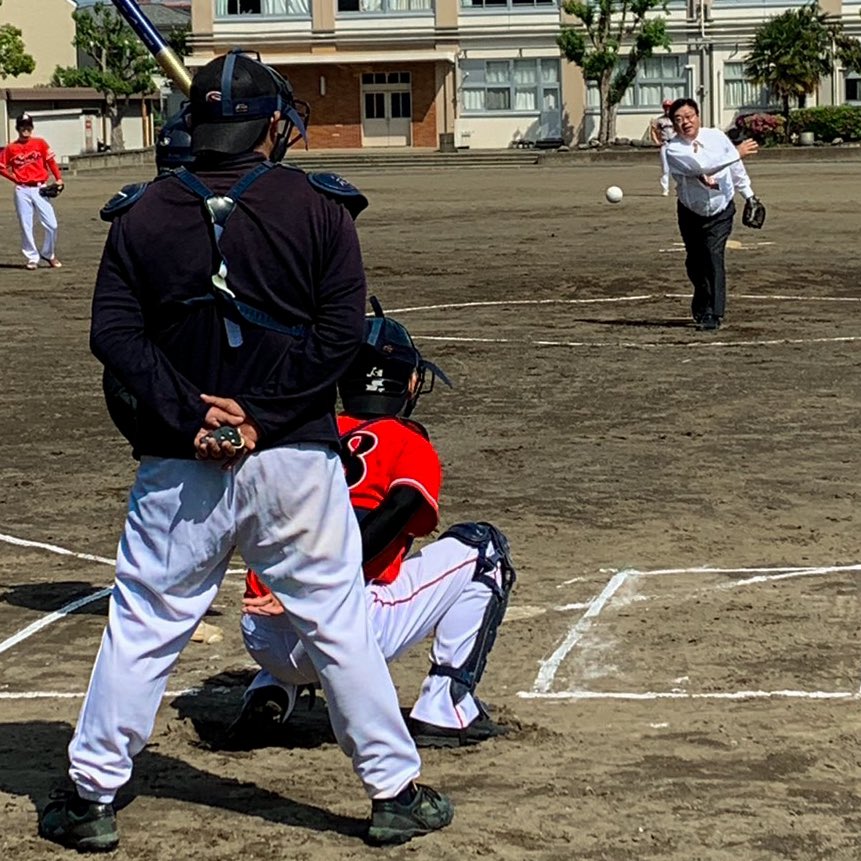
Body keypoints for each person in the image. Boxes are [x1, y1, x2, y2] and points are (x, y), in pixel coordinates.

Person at [37, 49, 452, 853]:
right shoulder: (320, 209)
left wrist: (191, 414)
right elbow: (340, 336)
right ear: (271, 125)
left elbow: (113, 337)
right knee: (334, 622)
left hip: (178, 462)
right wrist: (257, 415)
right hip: (294, 457)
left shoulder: (145, 214)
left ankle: (91, 793)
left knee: (146, 624)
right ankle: (393, 791)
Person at [226, 299, 516, 754]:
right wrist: (324, 582)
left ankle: (271, 689)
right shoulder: (408, 441)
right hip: (345, 629)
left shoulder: (302, 433)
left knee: (298, 552)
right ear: (412, 381)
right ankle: (447, 708)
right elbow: (396, 511)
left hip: (261, 633)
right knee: (485, 549)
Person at [664, 98, 760, 332]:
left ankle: (713, 313)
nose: (685, 123)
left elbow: (735, 168)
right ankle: (702, 299)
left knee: (713, 257)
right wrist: (736, 152)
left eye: (689, 117)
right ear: (673, 125)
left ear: (698, 116)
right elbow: (701, 167)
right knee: (695, 262)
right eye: (678, 120)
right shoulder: (673, 149)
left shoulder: (716, 136)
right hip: (691, 211)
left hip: (721, 208)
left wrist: (750, 196)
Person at [0, 112, 63, 269]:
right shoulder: (11, 148)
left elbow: (51, 161)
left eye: (28, 126)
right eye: (22, 126)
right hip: (22, 189)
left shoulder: (40, 143)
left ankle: (48, 253)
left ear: (31, 127)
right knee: (26, 224)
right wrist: (15, 179)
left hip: (40, 187)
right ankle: (32, 257)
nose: (25, 129)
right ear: (18, 128)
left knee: (52, 224)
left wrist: (59, 178)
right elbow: (1, 167)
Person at [650, 98, 675, 196]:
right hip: (665, 143)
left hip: (675, 144)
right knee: (665, 168)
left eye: (669, 107)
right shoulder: (660, 120)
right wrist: (657, 141)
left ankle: (679, 188)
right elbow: (653, 130)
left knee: (678, 166)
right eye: (666, 107)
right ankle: (665, 189)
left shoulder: (676, 119)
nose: (667, 109)